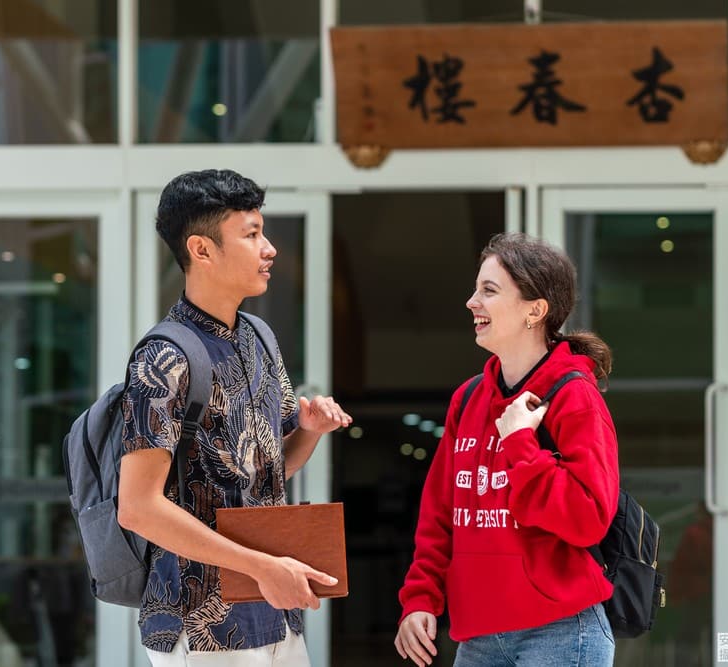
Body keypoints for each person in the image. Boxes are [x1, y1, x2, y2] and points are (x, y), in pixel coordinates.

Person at [117, 169, 352, 666]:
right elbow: (137, 507)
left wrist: (307, 434)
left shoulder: (259, 337)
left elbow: (254, 477)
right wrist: (262, 567)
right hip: (198, 625)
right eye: (251, 234)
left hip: (274, 612)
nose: (268, 248)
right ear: (201, 250)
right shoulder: (161, 358)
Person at [394, 232, 619, 667]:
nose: (471, 301)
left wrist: (520, 444)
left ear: (535, 311)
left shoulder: (574, 396)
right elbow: (441, 515)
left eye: (489, 291)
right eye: (477, 288)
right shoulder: (469, 399)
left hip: (560, 632)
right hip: (479, 638)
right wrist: (421, 598)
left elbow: (588, 518)